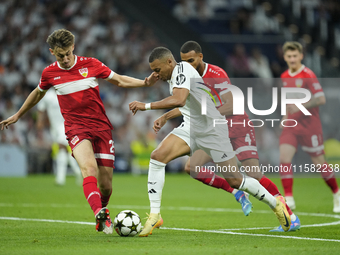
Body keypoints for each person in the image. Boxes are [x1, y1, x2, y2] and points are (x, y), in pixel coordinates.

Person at [0, 29, 158, 234]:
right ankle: (99, 214)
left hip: (101, 127)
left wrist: (144, 82)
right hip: (76, 129)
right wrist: (18, 115)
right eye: (60, 55)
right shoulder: (49, 73)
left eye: (67, 53)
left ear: (73, 47)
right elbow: (37, 94)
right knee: (88, 169)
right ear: (51, 52)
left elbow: (119, 80)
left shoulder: (91, 64)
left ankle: (102, 209)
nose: (65, 59)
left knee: (107, 185)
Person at [129, 46, 291, 237]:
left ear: (169, 62)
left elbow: (180, 99)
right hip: (191, 127)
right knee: (157, 157)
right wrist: (150, 84)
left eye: (157, 70)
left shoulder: (182, 70)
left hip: (212, 130)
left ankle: (276, 204)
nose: (156, 74)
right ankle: (155, 215)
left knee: (236, 179)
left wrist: (146, 106)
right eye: (153, 71)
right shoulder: (172, 74)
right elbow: (187, 102)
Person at [178, 40, 300, 232]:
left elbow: (232, 104)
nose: (188, 66)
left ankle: (290, 217)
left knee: (253, 173)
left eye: (191, 61)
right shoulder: (187, 78)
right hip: (217, 130)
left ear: (201, 57)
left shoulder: (216, 74)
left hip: (237, 126)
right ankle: (237, 192)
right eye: (184, 62)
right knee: (192, 167)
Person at [279, 41, 340, 213]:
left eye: (294, 56)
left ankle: (336, 193)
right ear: (285, 57)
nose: (292, 59)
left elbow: (321, 99)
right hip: (292, 124)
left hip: (310, 126)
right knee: (284, 158)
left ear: (301, 56)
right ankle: (289, 198)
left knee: (319, 163)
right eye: (289, 56)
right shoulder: (284, 76)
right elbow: (287, 101)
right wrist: (285, 117)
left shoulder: (308, 75)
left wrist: (300, 105)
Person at [36, 89, 82, 186]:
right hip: (54, 128)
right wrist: (40, 121)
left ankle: (60, 178)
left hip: (65, 125)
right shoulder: (47, 95)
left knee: (61, 147)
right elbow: (41, 109)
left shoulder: (66, 91)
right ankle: (78, 172)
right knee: (63, 151)